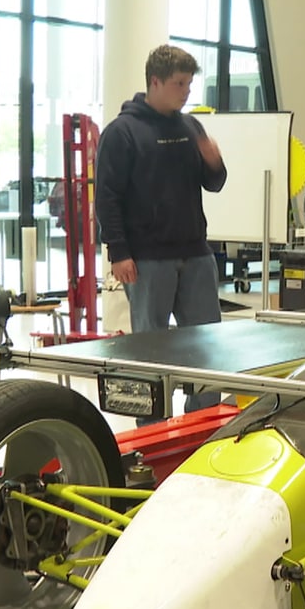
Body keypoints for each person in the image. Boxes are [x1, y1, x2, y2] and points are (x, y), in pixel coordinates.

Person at [96, 44, 226, 414]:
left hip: (196, 254)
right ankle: (151, 430)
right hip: (148, 259)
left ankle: (202, 420)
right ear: (155, 82)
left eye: (189, 84)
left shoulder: (190, 126)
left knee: (207, 344)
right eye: (179, 84)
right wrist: (118, 252)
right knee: (149, 351)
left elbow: (213, 183)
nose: (187, 92)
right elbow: (107, 197)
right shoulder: (122, 132)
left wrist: (215, 164)